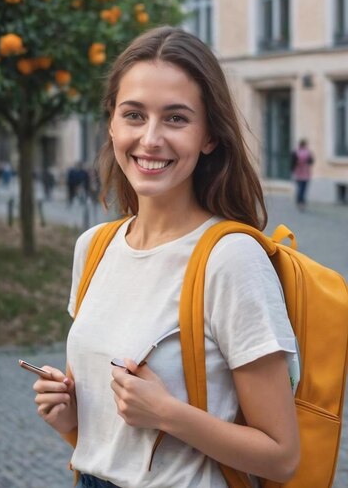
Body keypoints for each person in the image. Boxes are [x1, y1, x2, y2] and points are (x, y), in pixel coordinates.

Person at [32, 27, 300, 488]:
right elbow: (104, 437)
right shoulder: (94, 247)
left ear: (210, 135)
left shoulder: (231, 259)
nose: (150, 139)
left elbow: (281, 457)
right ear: (112, 124)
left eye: (176, 119)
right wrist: (68, 414)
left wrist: (169, 414)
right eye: (134, 115)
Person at [291, 139, 314, 210]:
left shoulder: (296, 152)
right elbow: (311, 161)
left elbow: (292, 163)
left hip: (298, 173)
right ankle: (301, 201)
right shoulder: (308, 153)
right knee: (303, 188)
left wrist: (293, 170)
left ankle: (299, 201)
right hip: (306, 173)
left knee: (300, 188)